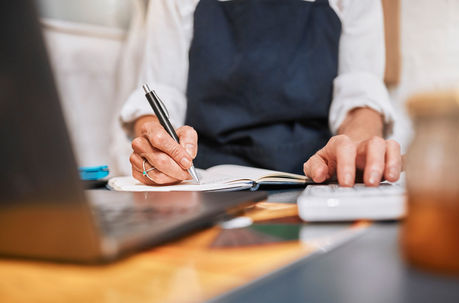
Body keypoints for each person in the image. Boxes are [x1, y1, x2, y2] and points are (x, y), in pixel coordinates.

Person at [120, 0, 402, 187]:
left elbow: (360, 91)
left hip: (315, 176)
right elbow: (161, 90)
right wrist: (156, 142)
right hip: (207, 181)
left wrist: (355, 145)